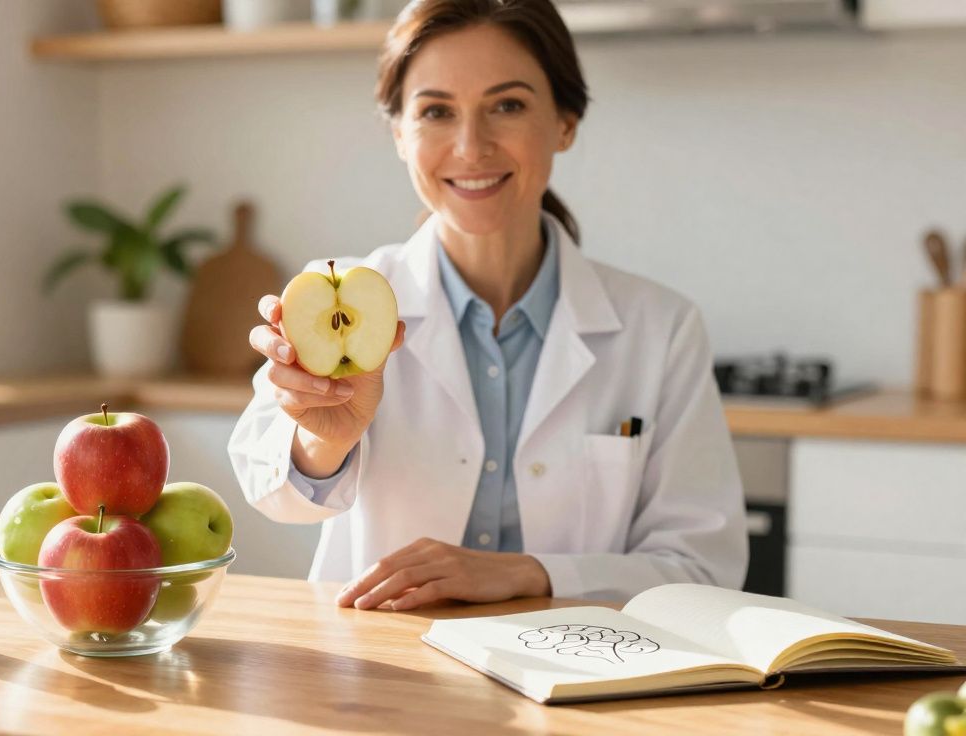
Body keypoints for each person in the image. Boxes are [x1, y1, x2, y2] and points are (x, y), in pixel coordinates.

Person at [228, 0, 747, 611]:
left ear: (565, 121)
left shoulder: (661, 329)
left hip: (581, 678)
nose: (471, 147)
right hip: (385, 678)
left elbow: (703, 568)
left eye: (507, 105)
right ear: (399, 133)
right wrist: (324, 440)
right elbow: (272, 495)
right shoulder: (337, 307)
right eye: (436, 112)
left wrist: (530, 574)